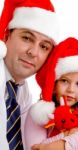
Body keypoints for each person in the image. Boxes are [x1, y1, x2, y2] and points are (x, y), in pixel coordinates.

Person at [0, 0, 60, 149]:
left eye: (44, 47)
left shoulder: (21, 92)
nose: (33, 52)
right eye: (26, 38)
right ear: (7, 36)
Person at [30, 37, 78, 150]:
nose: (71, 89)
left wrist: (47, 147)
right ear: (53, 84)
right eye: (64, 81)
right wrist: (67, 135)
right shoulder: (39, 115)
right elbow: (34, 148)